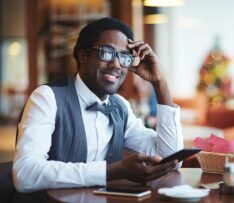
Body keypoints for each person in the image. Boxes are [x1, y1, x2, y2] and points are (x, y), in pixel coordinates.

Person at [13, 17, 183, 193]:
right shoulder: (47, 98)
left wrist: (160, 82)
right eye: (106, 52)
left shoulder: (120, 106)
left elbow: (170, 159)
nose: (116, 64)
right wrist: (111, 171)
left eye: (124, 56)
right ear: (83, 56)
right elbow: (25, 174)